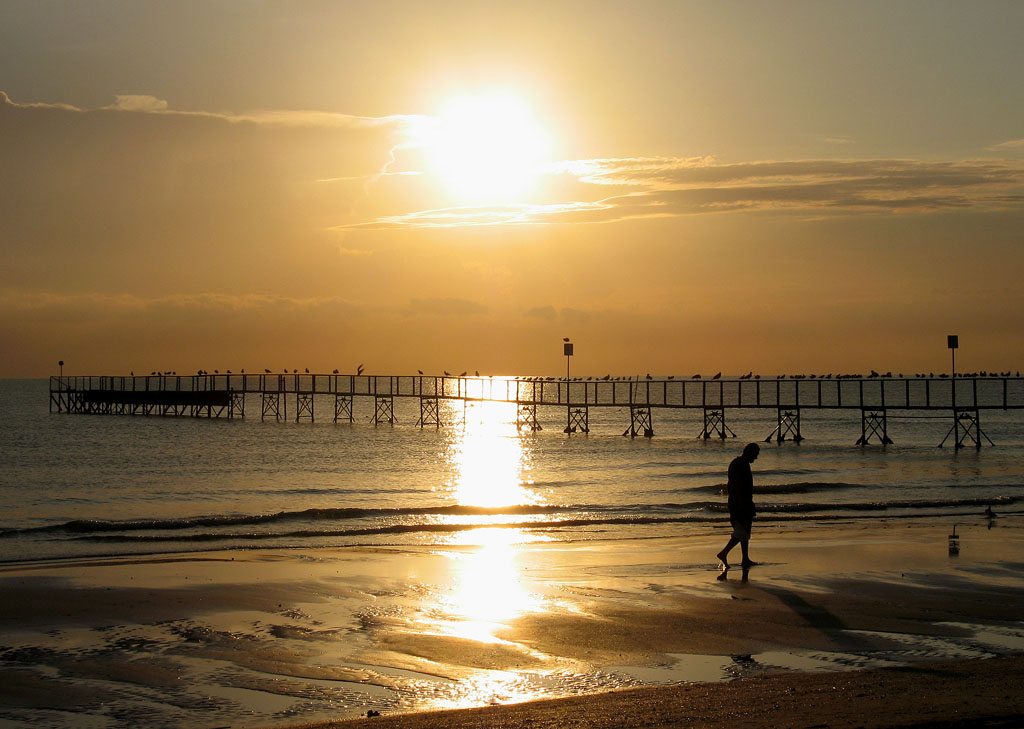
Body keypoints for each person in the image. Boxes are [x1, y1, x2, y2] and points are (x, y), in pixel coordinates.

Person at [717, 442, 760, 569]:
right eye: (755, 455)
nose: (756, 458)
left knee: (745, 532)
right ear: (749, 453)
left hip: (738, 502)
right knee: (742, 532)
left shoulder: (738, 463)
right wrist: (742, 504)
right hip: (740, 503)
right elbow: (738, 487)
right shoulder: (742, 465)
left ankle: (745, 558)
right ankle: (724, 553)